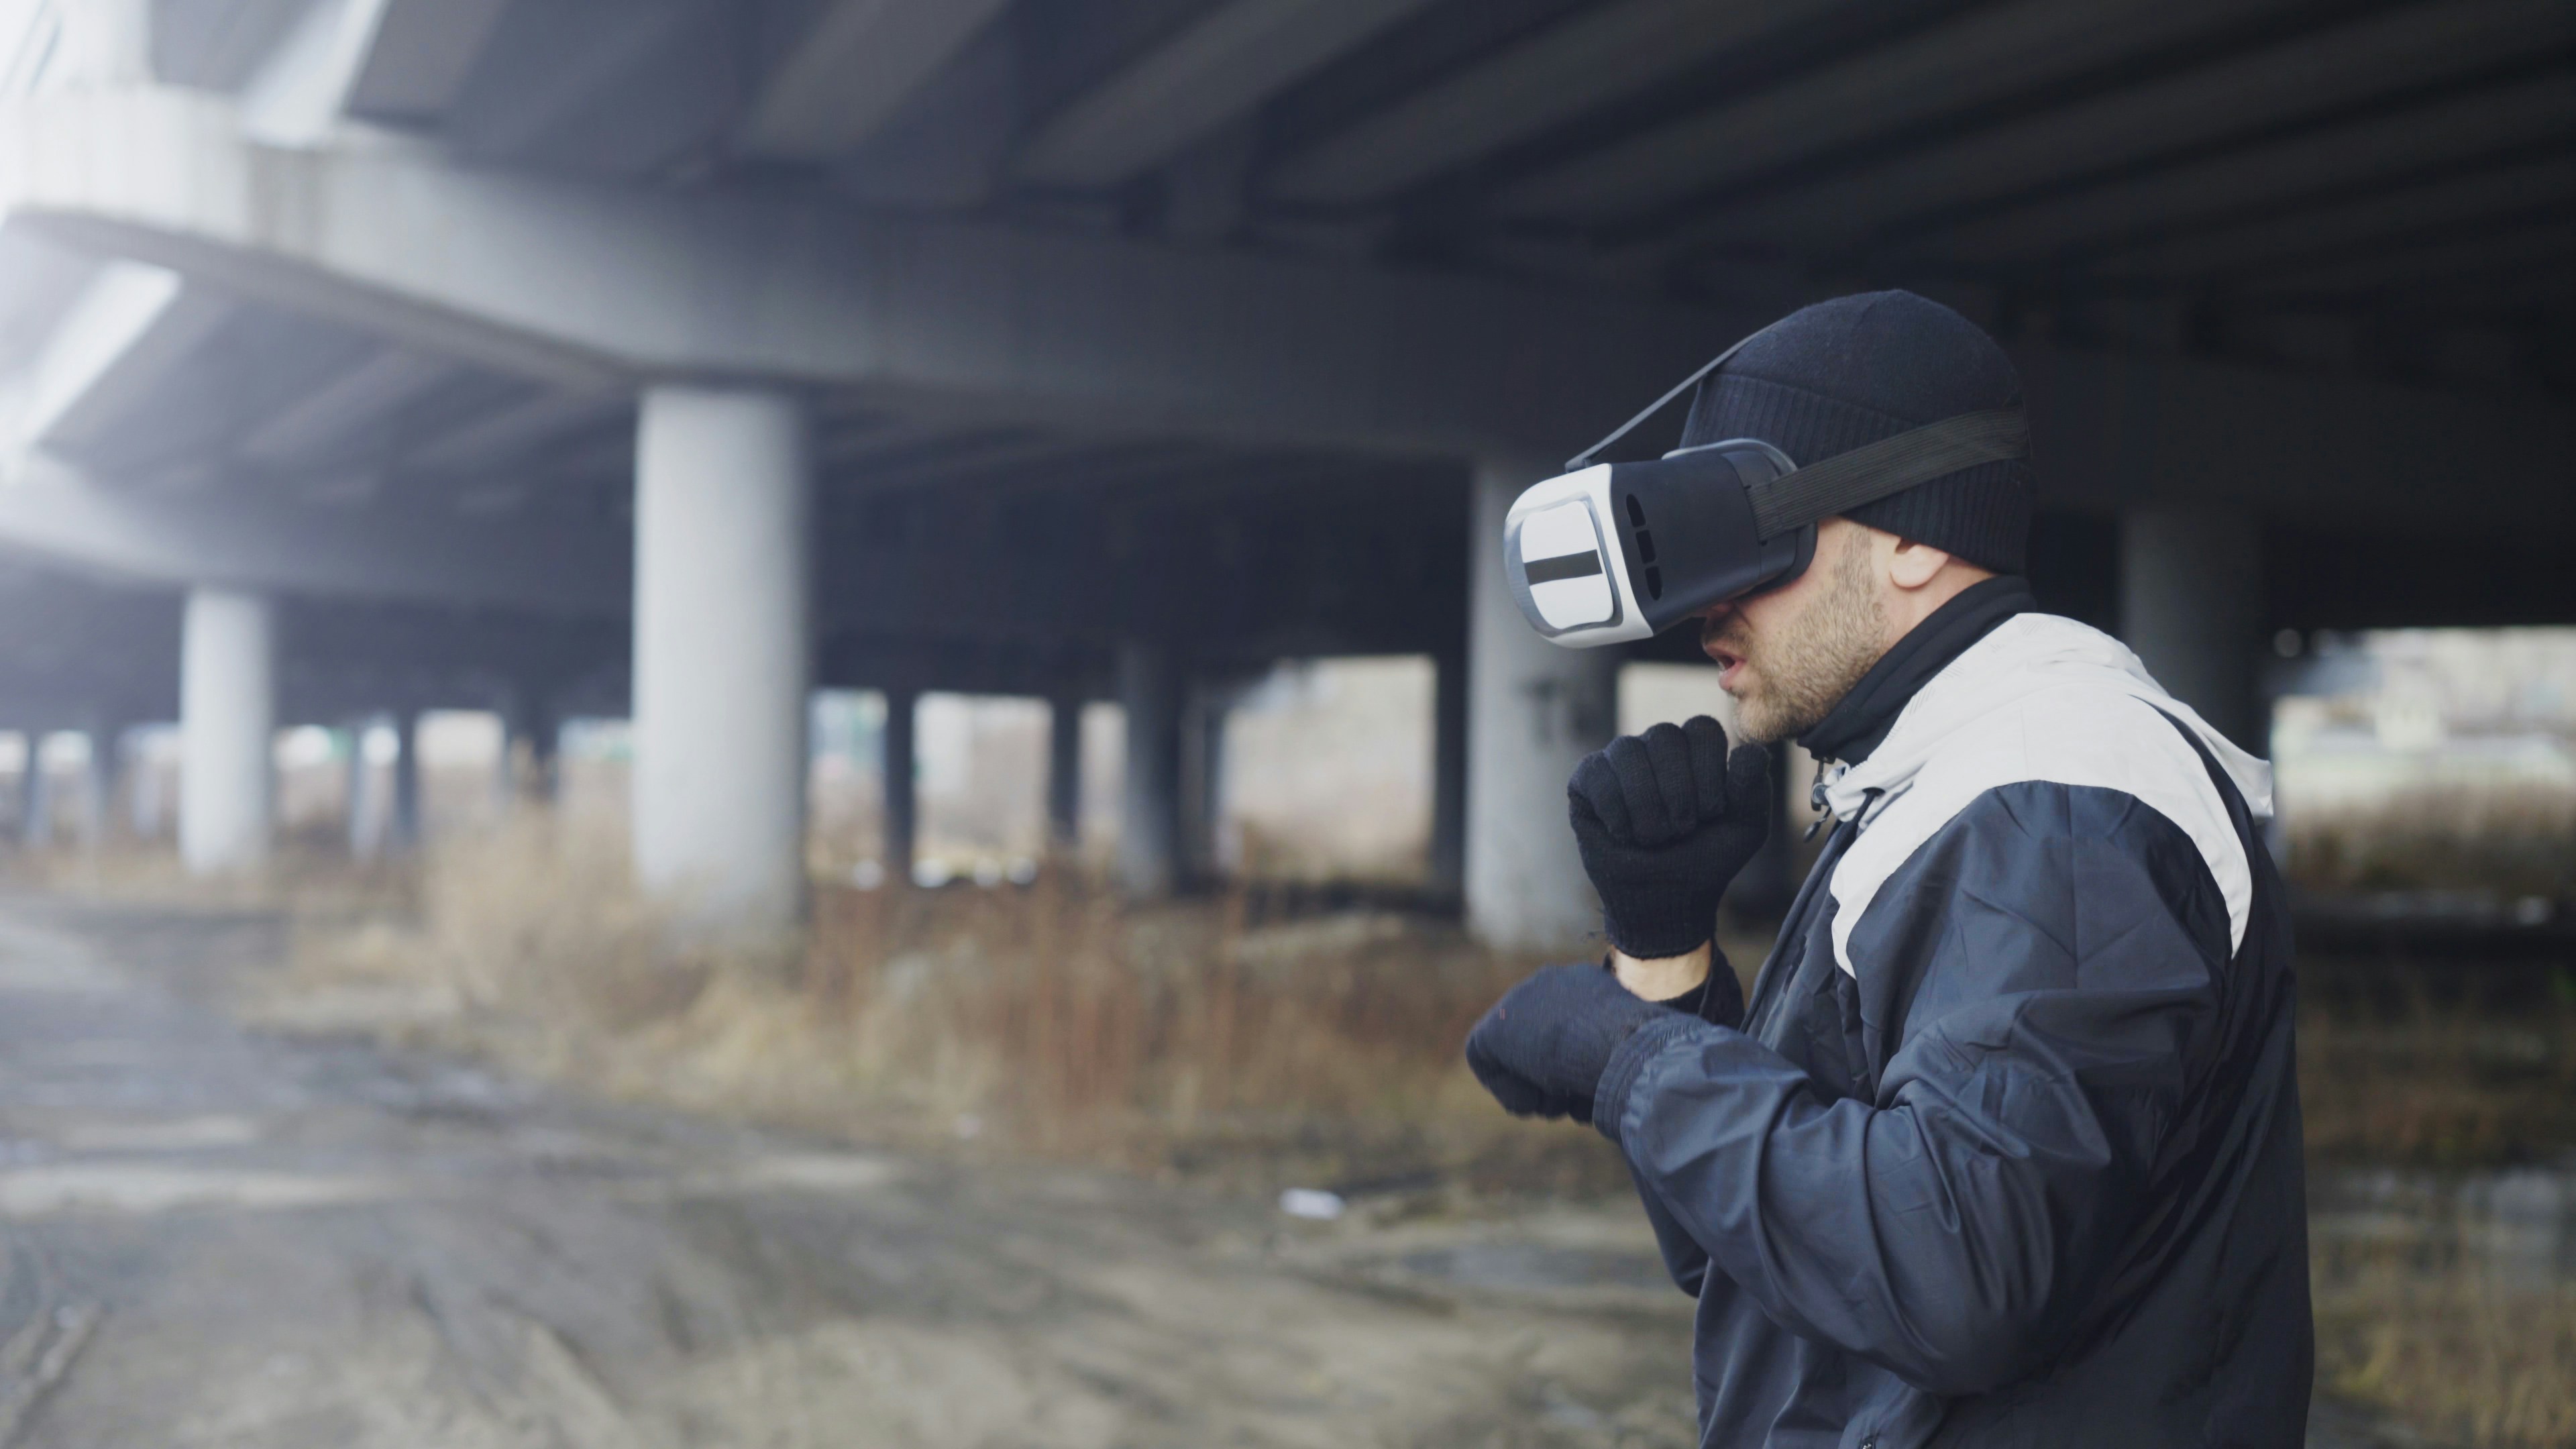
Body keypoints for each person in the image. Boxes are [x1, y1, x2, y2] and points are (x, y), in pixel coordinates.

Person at [1464, 292, 2312, 1447]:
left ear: (1915, 537)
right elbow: (1772, 1257)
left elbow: (1959, 1273)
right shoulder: (1936, 779)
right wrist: (1666, 959)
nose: (1706, 609)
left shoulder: (2056, 805)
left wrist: (1630, 1058)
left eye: (1747, 539)